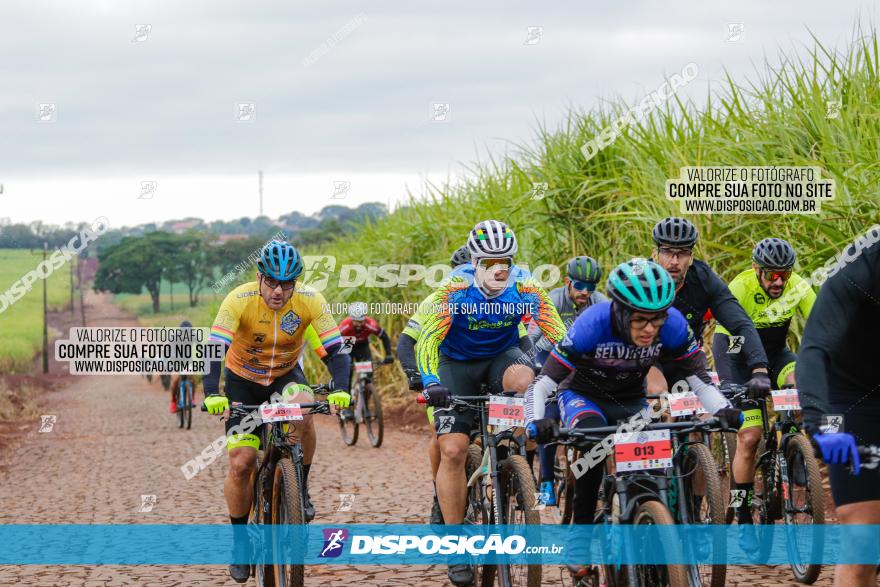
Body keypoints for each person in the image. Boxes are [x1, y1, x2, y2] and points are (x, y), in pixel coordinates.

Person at [525, 259, 739, 579]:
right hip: (584, 396)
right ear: (620, 312)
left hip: (631, 399)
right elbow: (541, 385)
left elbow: (699, 381)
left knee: (647, 465)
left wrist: (722, 409)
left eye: (657, 320)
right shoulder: (592, 324)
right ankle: (580, 538)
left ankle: (649, 530)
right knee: (593, 450)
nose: (650, 329)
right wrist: (535, 421)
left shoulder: (675, 325)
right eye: (640, 320)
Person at [416, 220, 566, 586]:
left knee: (528, 381)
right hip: (456, 365)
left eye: (506, 261)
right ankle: (455, 546)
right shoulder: (453, 288)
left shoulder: (525, 285)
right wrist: (432, 382)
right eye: (489, 262)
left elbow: (560, 334)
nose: (499, 269)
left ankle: (511, 455)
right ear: (474, 262)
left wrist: (573, 376)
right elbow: (426, 342)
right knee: (452, 449)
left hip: (502, 356)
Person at [202, 240, 352, 583]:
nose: (279, 291)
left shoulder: (311, 300)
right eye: (272, 282)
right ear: (259, 278)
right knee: (241, 463)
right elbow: (215, 347)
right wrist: (213, 392)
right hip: (243, 381)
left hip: (285, 377)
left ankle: (299, 485)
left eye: (287, 284)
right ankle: (241, 543)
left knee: (305, 407)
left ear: (296, 282)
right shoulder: (238, 300)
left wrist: (341, 388)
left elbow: (335, 351)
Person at [397, 243, 534, 526]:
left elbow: (521, 339)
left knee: (512, 414)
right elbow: (406, 342)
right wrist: (418, 378)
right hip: (442, 374)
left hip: (490, 372)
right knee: (445, 441)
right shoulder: (440, 299)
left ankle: (510, 469)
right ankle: (440, 498)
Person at [712, 237, 816, 533]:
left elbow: (821, 321)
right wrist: (731, 384)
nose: (778, 281)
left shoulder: (797, 284)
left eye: (784, 274)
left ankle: (794, 443)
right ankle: (743, 514)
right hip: (740, 360)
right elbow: (723, 342)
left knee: (798, 383)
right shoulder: (741, 287)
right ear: (756, 269)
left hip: (776, 355)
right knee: (749, 439)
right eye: (771, 274)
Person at [798, 236, 880, 587]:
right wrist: (820, 423)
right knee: (863, 542)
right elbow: (814, 350)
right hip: (849, 399)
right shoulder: (861, 262)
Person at [649, 217, 771, 396]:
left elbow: (740, 323)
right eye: (667, 252)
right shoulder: (642, 278)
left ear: (691, 258)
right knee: (658, 394)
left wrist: (759, 369)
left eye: (682, 253)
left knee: (710, 415)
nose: (674, 261)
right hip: (648, 356)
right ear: (655, 255)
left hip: (687, 358)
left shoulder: (704, 279)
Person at [527, 255, 607, 506]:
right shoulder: (552, 301)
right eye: (579, 285)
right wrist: (534, 367)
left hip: (582, 367)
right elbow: (531, 339)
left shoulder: (600, 302)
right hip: (549, 362)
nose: (585, 292)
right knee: (549, 418)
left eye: (591, 287)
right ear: (567, 282)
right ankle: (547, 481)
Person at [169, 320, 199, 413]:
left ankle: (192, 397)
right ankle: (173, 401)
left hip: (188, 361)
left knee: (192, 379)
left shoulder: (194, 336)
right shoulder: (174, 337)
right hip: (176, 361)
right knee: (175, 380)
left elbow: (200, 346)